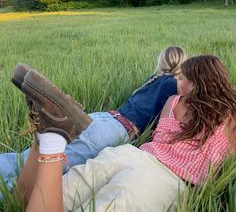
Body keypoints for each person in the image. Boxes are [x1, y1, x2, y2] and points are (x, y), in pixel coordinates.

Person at [15, 55, 236, 211]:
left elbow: (159, 137)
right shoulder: (232, 116)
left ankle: (46, 139)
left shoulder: (174, 102)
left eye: (182, 78)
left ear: (195, 81)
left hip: (129, 154)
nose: (177, 82)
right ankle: (51, 139)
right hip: (164, 181)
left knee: (48, 197)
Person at [0, 46, 187, 193]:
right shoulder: (174, 86)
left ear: (162, 60)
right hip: (118, 131)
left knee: (25, 158)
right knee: (49, 169)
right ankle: (9, 194)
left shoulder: (154, 78)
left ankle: (54, 113)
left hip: (103, 118)